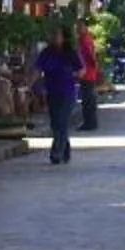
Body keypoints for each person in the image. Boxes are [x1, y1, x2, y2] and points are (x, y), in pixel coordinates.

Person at [34, 25, 83, 164]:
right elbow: (38, 69)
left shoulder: (70, 53)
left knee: (61, 122)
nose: (54, 38)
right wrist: (29, 82)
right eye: (52, 35)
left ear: (63, 38)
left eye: (57, 35)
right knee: (56, 124)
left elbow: (81, 70)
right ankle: (65, 149)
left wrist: (71, 75)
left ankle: (56, 152)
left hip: (68, 92)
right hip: (52, 91)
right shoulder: (46, 53)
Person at [76, 20, 102, 131]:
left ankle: (89, 123)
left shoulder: (86, 40)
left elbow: (91, 56)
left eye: (80, 26)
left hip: (88, 74)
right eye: (77, 27)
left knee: (88, 100)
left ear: (86, 28)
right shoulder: (82, 40)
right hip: (86, 74)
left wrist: (95, 68)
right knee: (87, 100)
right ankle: (89, 122)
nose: (78, 29)